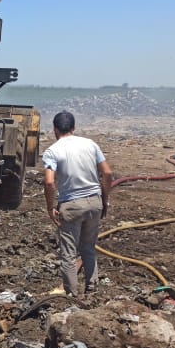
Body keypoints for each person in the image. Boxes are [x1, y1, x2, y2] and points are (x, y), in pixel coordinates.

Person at [42, 111, 113, 295]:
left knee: (68, 254)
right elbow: (107, 173)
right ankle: (92, 290)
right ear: (73, 128)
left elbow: (49, 182)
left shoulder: (53, 151)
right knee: (88, 248)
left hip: (71, 205)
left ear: (55, 130)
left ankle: (72, 295)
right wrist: (104, 200)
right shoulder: (90, 144)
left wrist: (50, 207)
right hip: (94, 202)